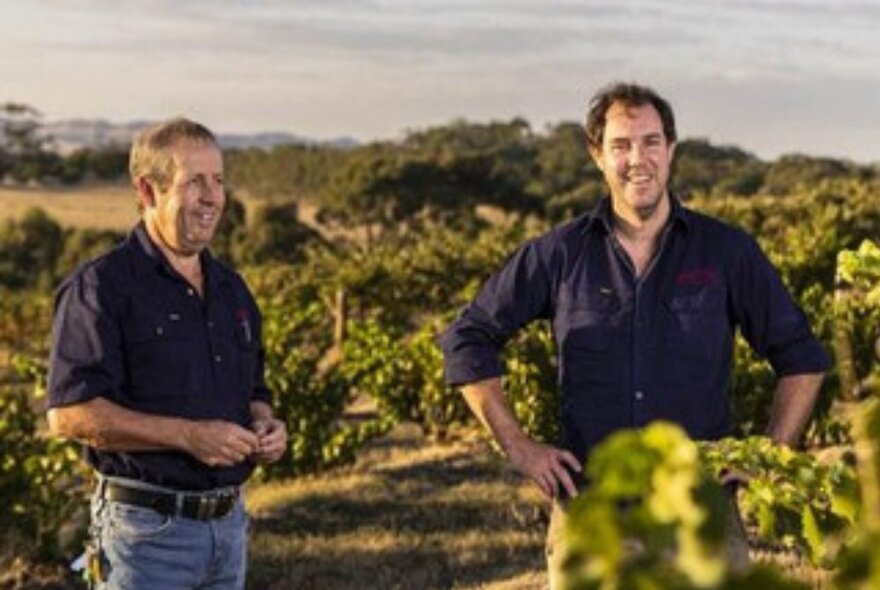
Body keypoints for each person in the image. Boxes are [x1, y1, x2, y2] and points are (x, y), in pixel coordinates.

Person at [439, 82, 830, 586]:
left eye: (649, 142)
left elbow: (802, 357)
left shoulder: (726, 252)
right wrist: (517, 444)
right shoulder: (559, 255)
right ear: (596, 155)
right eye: (620, 145)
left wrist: (770, 454)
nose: (636, 159)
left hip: (701, 518)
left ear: (671, 149)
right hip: (591, 515)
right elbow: (468, 337)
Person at [46, 118, 287, 590]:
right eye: (194, 181)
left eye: (218, 181)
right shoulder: (102, 287)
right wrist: (188, 436)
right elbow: (70, 415)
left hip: (230, 528)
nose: (212, 196)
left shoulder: (232, 290)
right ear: (148, 191)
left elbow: (254, 390)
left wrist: (265, 425)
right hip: (146, 538)